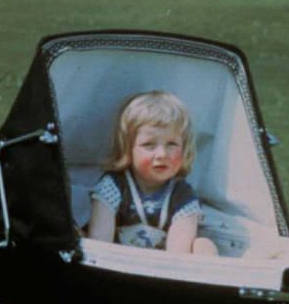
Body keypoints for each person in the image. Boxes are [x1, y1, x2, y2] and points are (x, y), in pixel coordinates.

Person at [88, 90, 218, 256]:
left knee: (204, 245)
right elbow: (99, 242)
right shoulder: (114, 185)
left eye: (172, 144)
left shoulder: (182, 194)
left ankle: (204, 281)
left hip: (161, 269)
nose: (162, 154)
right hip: (115, 262)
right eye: (149, 144)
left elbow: (179, 254)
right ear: (129, 149)